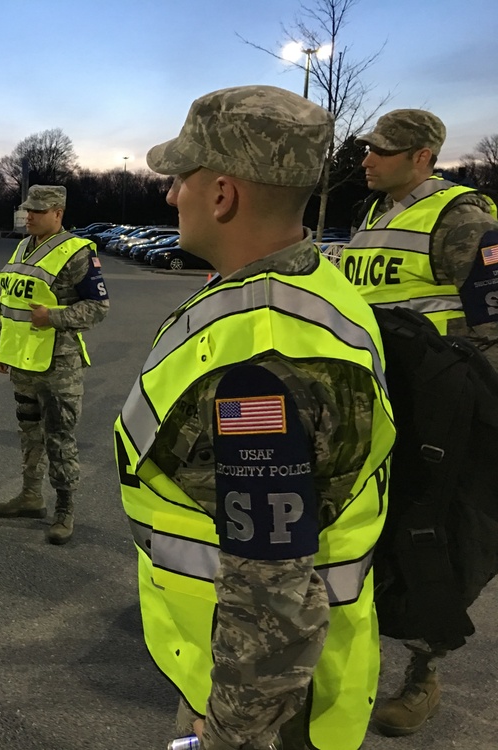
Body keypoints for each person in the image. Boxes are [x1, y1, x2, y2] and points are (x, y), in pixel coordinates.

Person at [114, 85, 395, 750]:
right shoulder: (310, 287)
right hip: (283, 677)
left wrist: (234, 734)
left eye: (180, 178)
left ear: (222, 195)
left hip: (269, 706)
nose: (169, 196)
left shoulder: (265, 355)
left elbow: (272, 597)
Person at [339, 108, 498, 737]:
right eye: (369, 148)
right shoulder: (375, 217)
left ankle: (423, 674)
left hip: (432, 407)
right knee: (362, 532)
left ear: (423, 156)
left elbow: (490, 325)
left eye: (382, 151)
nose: (367, 159)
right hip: (373, 396)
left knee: (427, 534)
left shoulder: (463, 219)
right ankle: (350, 661)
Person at [0, 185, 109, 544]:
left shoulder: (77, 253)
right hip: (22, 363)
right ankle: (30, 496)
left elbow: (99, 308)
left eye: (38, 211)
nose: (29, 216)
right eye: (28, 210)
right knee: (29, 434)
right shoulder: (23, 247)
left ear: (58, 213)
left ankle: (65, 509)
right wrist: (2, 348)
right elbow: (9, 302)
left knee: (59, 439)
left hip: (59, 366)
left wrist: (53, 317)